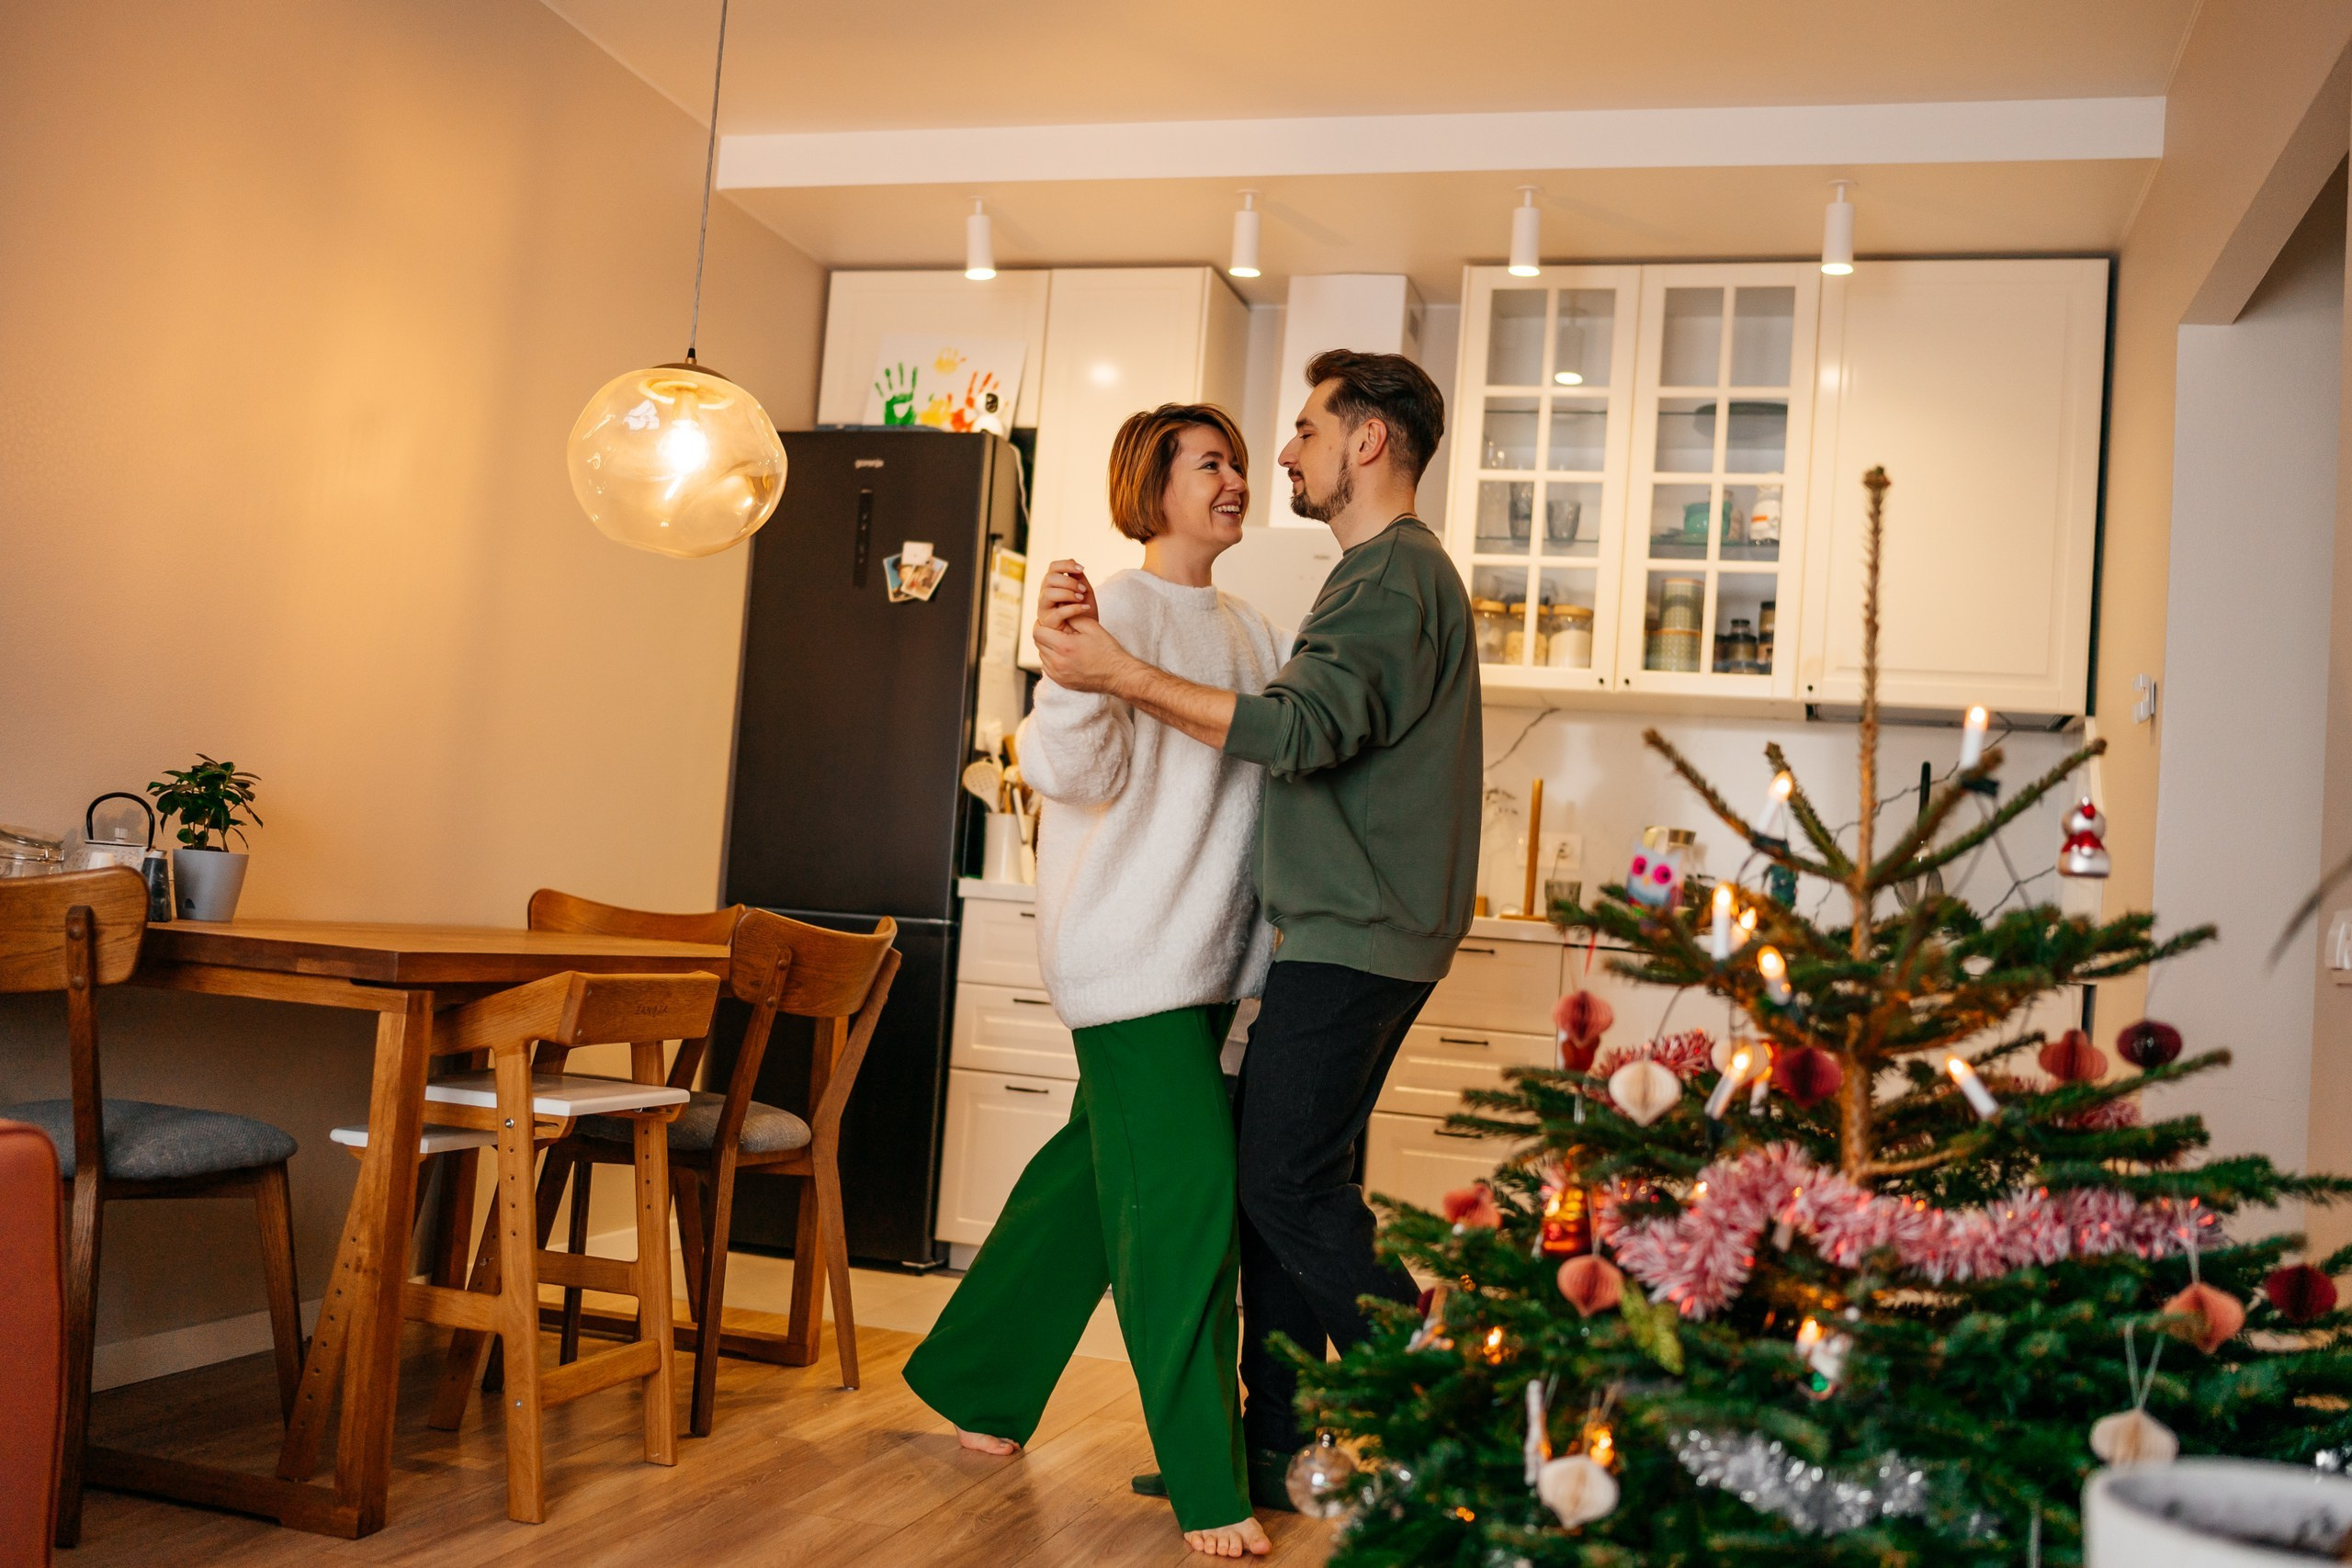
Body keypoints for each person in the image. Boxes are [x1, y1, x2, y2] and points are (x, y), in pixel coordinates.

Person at [1032, 349, 1481, 1502]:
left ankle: (1453, 1412)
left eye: (1300, 430)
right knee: (1279, 1179)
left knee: (1281, 1181)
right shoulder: (1370, 577)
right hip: (1337, 928)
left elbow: (1293, 735)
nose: (1282, 456)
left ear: (1365, 442)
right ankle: (1275, 1446)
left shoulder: (1386, 577)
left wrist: (1119, 672)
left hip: (1355, 928)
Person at [903, 402, 1287, 1560]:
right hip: (1129, 955)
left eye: (1232, 462)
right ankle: (1206, 1482)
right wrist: (1067, 671)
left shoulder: (1255, 632)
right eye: (1208, 464)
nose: (1232, 479)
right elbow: (1071, 767)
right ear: (1153, 486)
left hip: (1205, 955)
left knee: (1088, 1178)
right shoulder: (1112, 608)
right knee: (1183, 1206)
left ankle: (978, 1381)